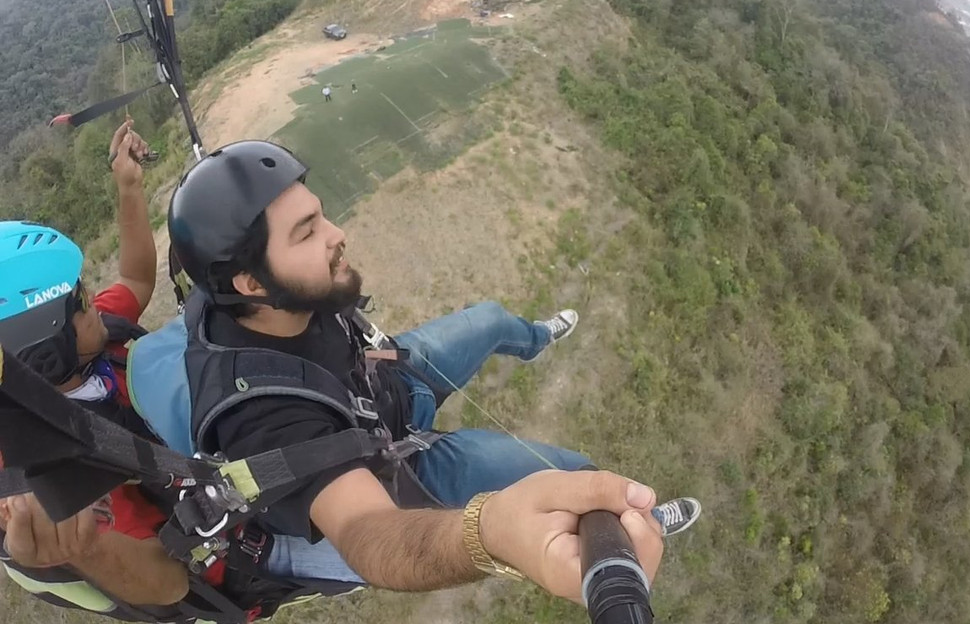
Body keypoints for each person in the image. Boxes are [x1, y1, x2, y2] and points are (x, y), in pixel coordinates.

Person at [145, 139, 699, 602]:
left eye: (322, 216)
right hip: (397, 466)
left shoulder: (269, 294)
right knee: (569, 476)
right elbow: (369, 535)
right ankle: (622, 531)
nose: (337, 234)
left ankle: (534, 338)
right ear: (249, 284)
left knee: (490, 321)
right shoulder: (262, 418)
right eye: (307, 232)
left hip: (388, 380)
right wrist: (490, 532)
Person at [0, 120, 190, 613]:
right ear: (42, 351)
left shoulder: (87, 350)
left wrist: (127, 185)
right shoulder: (63, 469)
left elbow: (135, 277)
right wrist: (84, 549)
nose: (96, 306)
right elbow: (170, 586)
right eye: (80, 302)